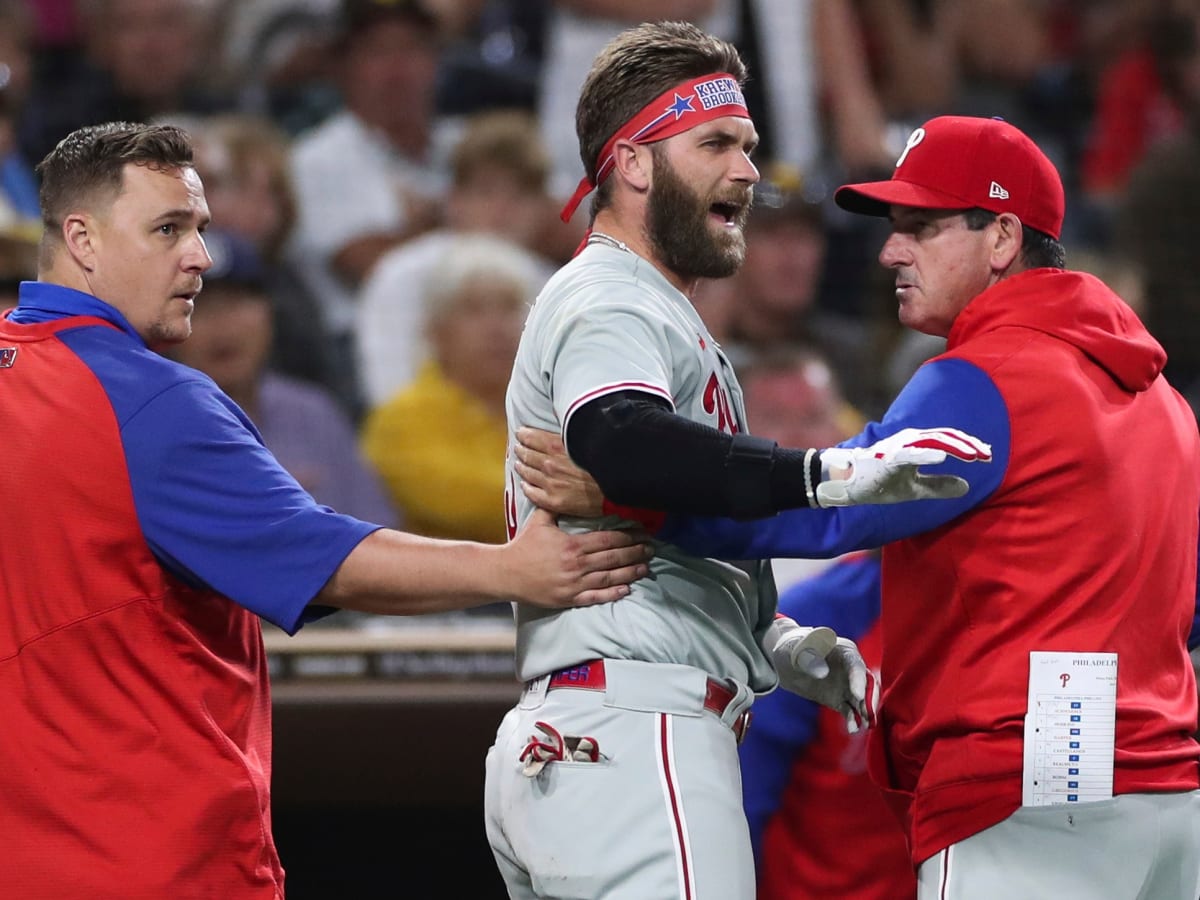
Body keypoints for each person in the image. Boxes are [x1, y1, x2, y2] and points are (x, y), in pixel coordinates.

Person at [518, 114, 1200, 899]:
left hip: (1027, 790)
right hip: (1166, 794)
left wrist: (638, 503)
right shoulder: (1159, 399)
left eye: (920, 227)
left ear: (1004, 237)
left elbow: (824, 513)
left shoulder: (992, 375)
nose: (889, 253)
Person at [0, 121, 652, 899]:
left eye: (200, 229)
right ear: (82, 239)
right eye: (167, 229)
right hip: (150, 856)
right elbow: (325, 558)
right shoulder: (150, 402)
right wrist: (514, 568)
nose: (200, 257)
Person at [483, 23, 991, 900]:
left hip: (598, 728)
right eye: (716, 143)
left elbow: (656, 524)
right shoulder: (613, 295)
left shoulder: (657, 313)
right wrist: (823, 474)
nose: (749, 171)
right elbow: (622, 441)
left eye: (749, 145)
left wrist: (775, 642)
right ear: (634, 163)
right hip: (638, 737)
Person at [167, 227, 399, 528]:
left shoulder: (312, 412)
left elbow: (378, 530)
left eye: (236, 303)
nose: (222, 325)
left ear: (270, 312)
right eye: (199, 306)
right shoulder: (153, 427)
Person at [360, 234, 534, 544]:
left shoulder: (553, 409)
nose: (496, 327)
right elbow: (463, 504)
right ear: (436, 331)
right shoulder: (400, 419)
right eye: (474, 309)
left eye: (509, 307)